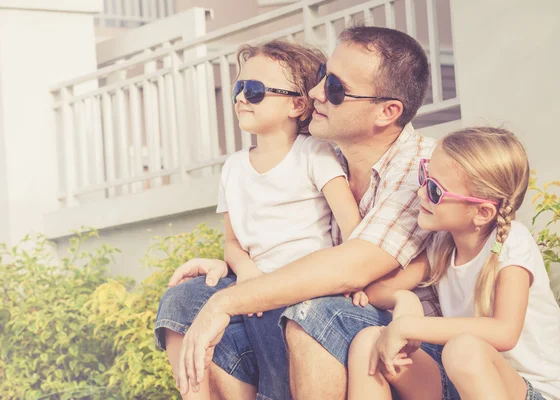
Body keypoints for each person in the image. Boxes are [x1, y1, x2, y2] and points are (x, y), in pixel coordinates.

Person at [168, 26, 441, 400]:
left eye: (334, 88)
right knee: (188, 299)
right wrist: (233, 263)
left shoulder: (426, 169)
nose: (315, 92)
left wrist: (227, 301)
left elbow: (350, 269)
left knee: (314, 311)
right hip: (325, 314)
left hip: (413, 346)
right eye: (323, 77)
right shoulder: (325, 155)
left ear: (387, 111)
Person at [155, 39, 361, 399]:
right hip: (253, 283)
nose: (240, 98)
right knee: (182, 300)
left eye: (254, 91)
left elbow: (351, 224)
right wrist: (247, 272)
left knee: (277, 322)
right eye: (238, 88)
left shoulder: (314, 153)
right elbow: (232, 243)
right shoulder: (233, 166)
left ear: (298, 104)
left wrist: (358, 278)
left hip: (302, 287)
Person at [348, 127, 560, 400]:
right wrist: (404, 300)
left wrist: (408, 326)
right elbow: (377, 291)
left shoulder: (510, 243)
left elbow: (505, 332)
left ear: (482, 212)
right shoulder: (443, 244)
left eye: (436, 190)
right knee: (369, 344)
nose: (421, 193)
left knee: (463, 349)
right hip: (465, 385)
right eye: (424, 176)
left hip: (535, 392)